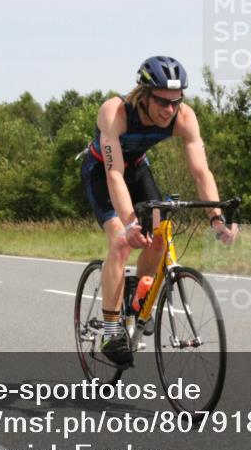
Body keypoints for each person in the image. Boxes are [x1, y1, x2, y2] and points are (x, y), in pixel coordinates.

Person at [80, 55, 239, 365]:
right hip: (102, 172)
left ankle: (138, 301)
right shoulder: (115, 112)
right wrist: (128, 224)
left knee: (160, 237)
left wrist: (217, 221)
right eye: (162, 102)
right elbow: (114, 174)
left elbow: (200, 173)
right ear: (144, 94)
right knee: (121, 241)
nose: (169, 110)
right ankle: (112, 331)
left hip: (137, 168)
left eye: (175, 102)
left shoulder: (184, 116)